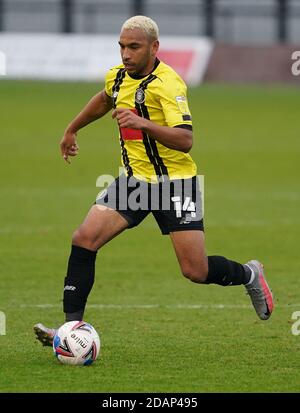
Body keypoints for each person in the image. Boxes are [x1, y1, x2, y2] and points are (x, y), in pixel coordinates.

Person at [34, 15, 273, 346]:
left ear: (154, 47)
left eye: (134, 47)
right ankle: (71, 330)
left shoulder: (168, 85)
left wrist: (142, 123)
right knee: (84, 238)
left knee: (195, 271)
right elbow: (105, 98)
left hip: (176, 185)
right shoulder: (118, 77)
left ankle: (249, 274)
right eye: (122, 47)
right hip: (133, 183)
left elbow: (185, 140)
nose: (126, 54)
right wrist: (72, 129)